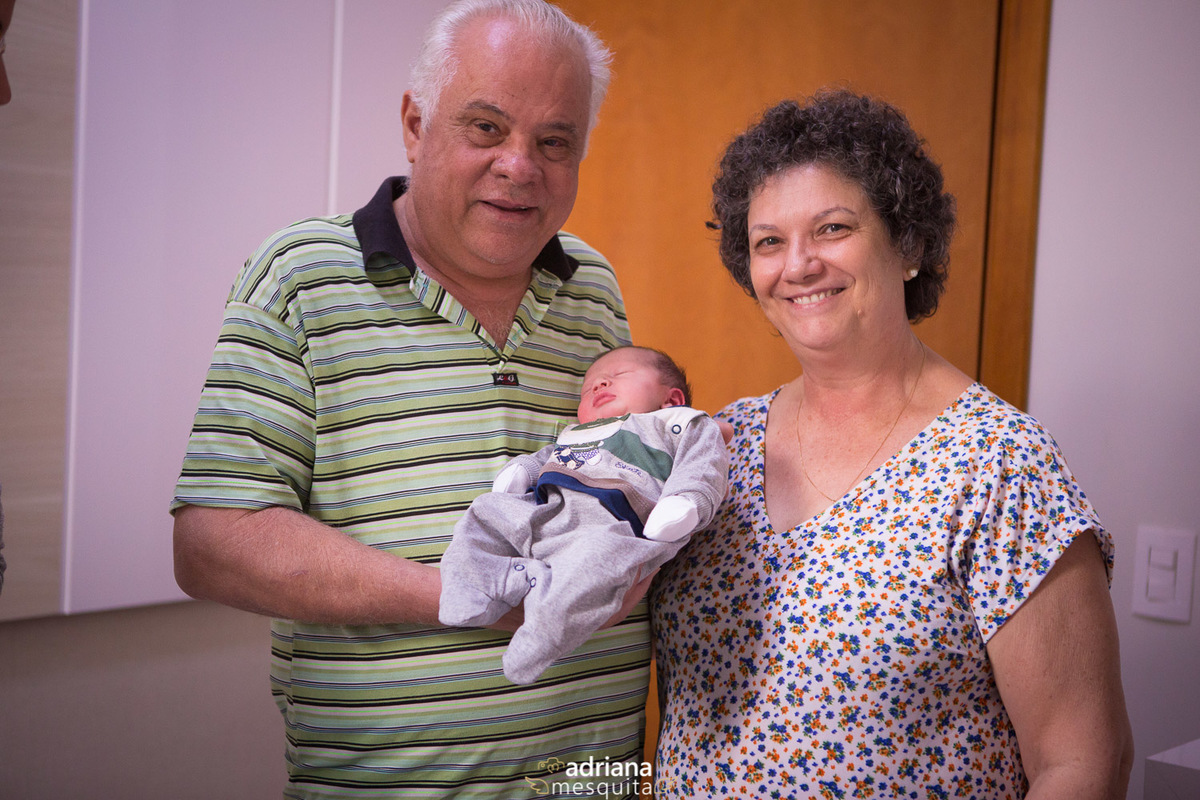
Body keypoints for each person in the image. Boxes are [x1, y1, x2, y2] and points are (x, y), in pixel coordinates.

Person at [172, 2, 650, 796]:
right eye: (487, 128)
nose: (520, 166)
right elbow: (214, 539)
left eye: (554, 141)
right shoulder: (300, 275)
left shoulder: (592, 286)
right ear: (415, 124)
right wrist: (461, 597)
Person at [649, 90, 1133, 799]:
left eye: (833, 228)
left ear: (906, 244)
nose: (799, 265)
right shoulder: (716, 445)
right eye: (769, 242)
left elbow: (1085, 762)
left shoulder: (997, 462)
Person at [440, 346, 729, 685]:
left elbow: (704, 466)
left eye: (617, 375)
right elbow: (547, 456)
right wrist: (523, 469)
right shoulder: (576, 434)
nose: (599, 385)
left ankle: (542, 635)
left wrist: (687, 500)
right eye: (588, 387)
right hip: (546, 509)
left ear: (671, 398)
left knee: (593, 567)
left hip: (613, 523)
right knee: (484, 512)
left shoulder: (678, 424)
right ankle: (491, 584)